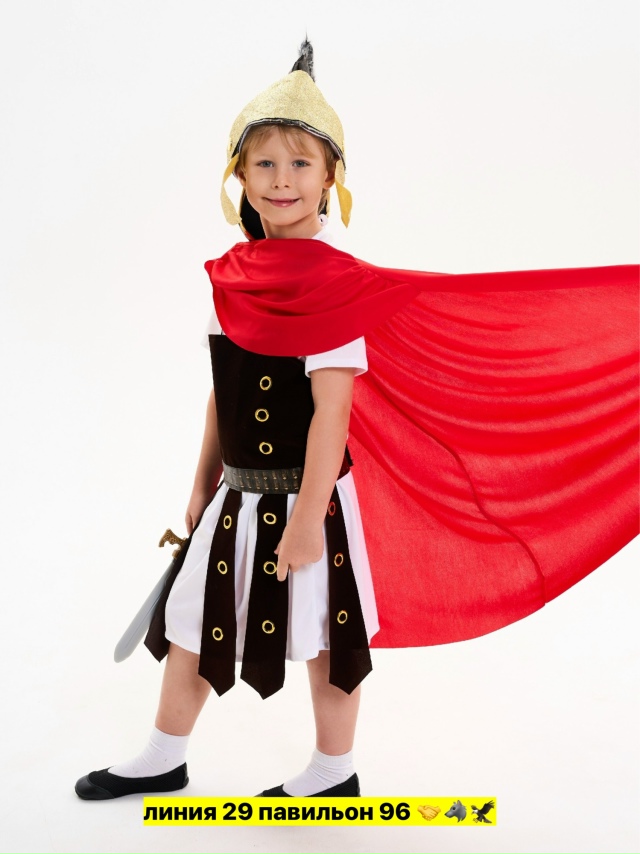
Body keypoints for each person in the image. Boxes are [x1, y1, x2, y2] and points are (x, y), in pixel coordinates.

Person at [75, 40, 639, 801]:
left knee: (324, 639)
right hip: (236, 496)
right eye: (264, 163)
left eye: (299, 163)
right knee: (193, 624)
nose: (281, 180)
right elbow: (220, 391)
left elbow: (330, 415)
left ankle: (333, 772)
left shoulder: (334, 289)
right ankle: (161, 756)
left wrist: (308, 519)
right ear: (239, 176)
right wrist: (201, 483)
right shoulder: (231, 280)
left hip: (308, 501)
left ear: (330, 178)